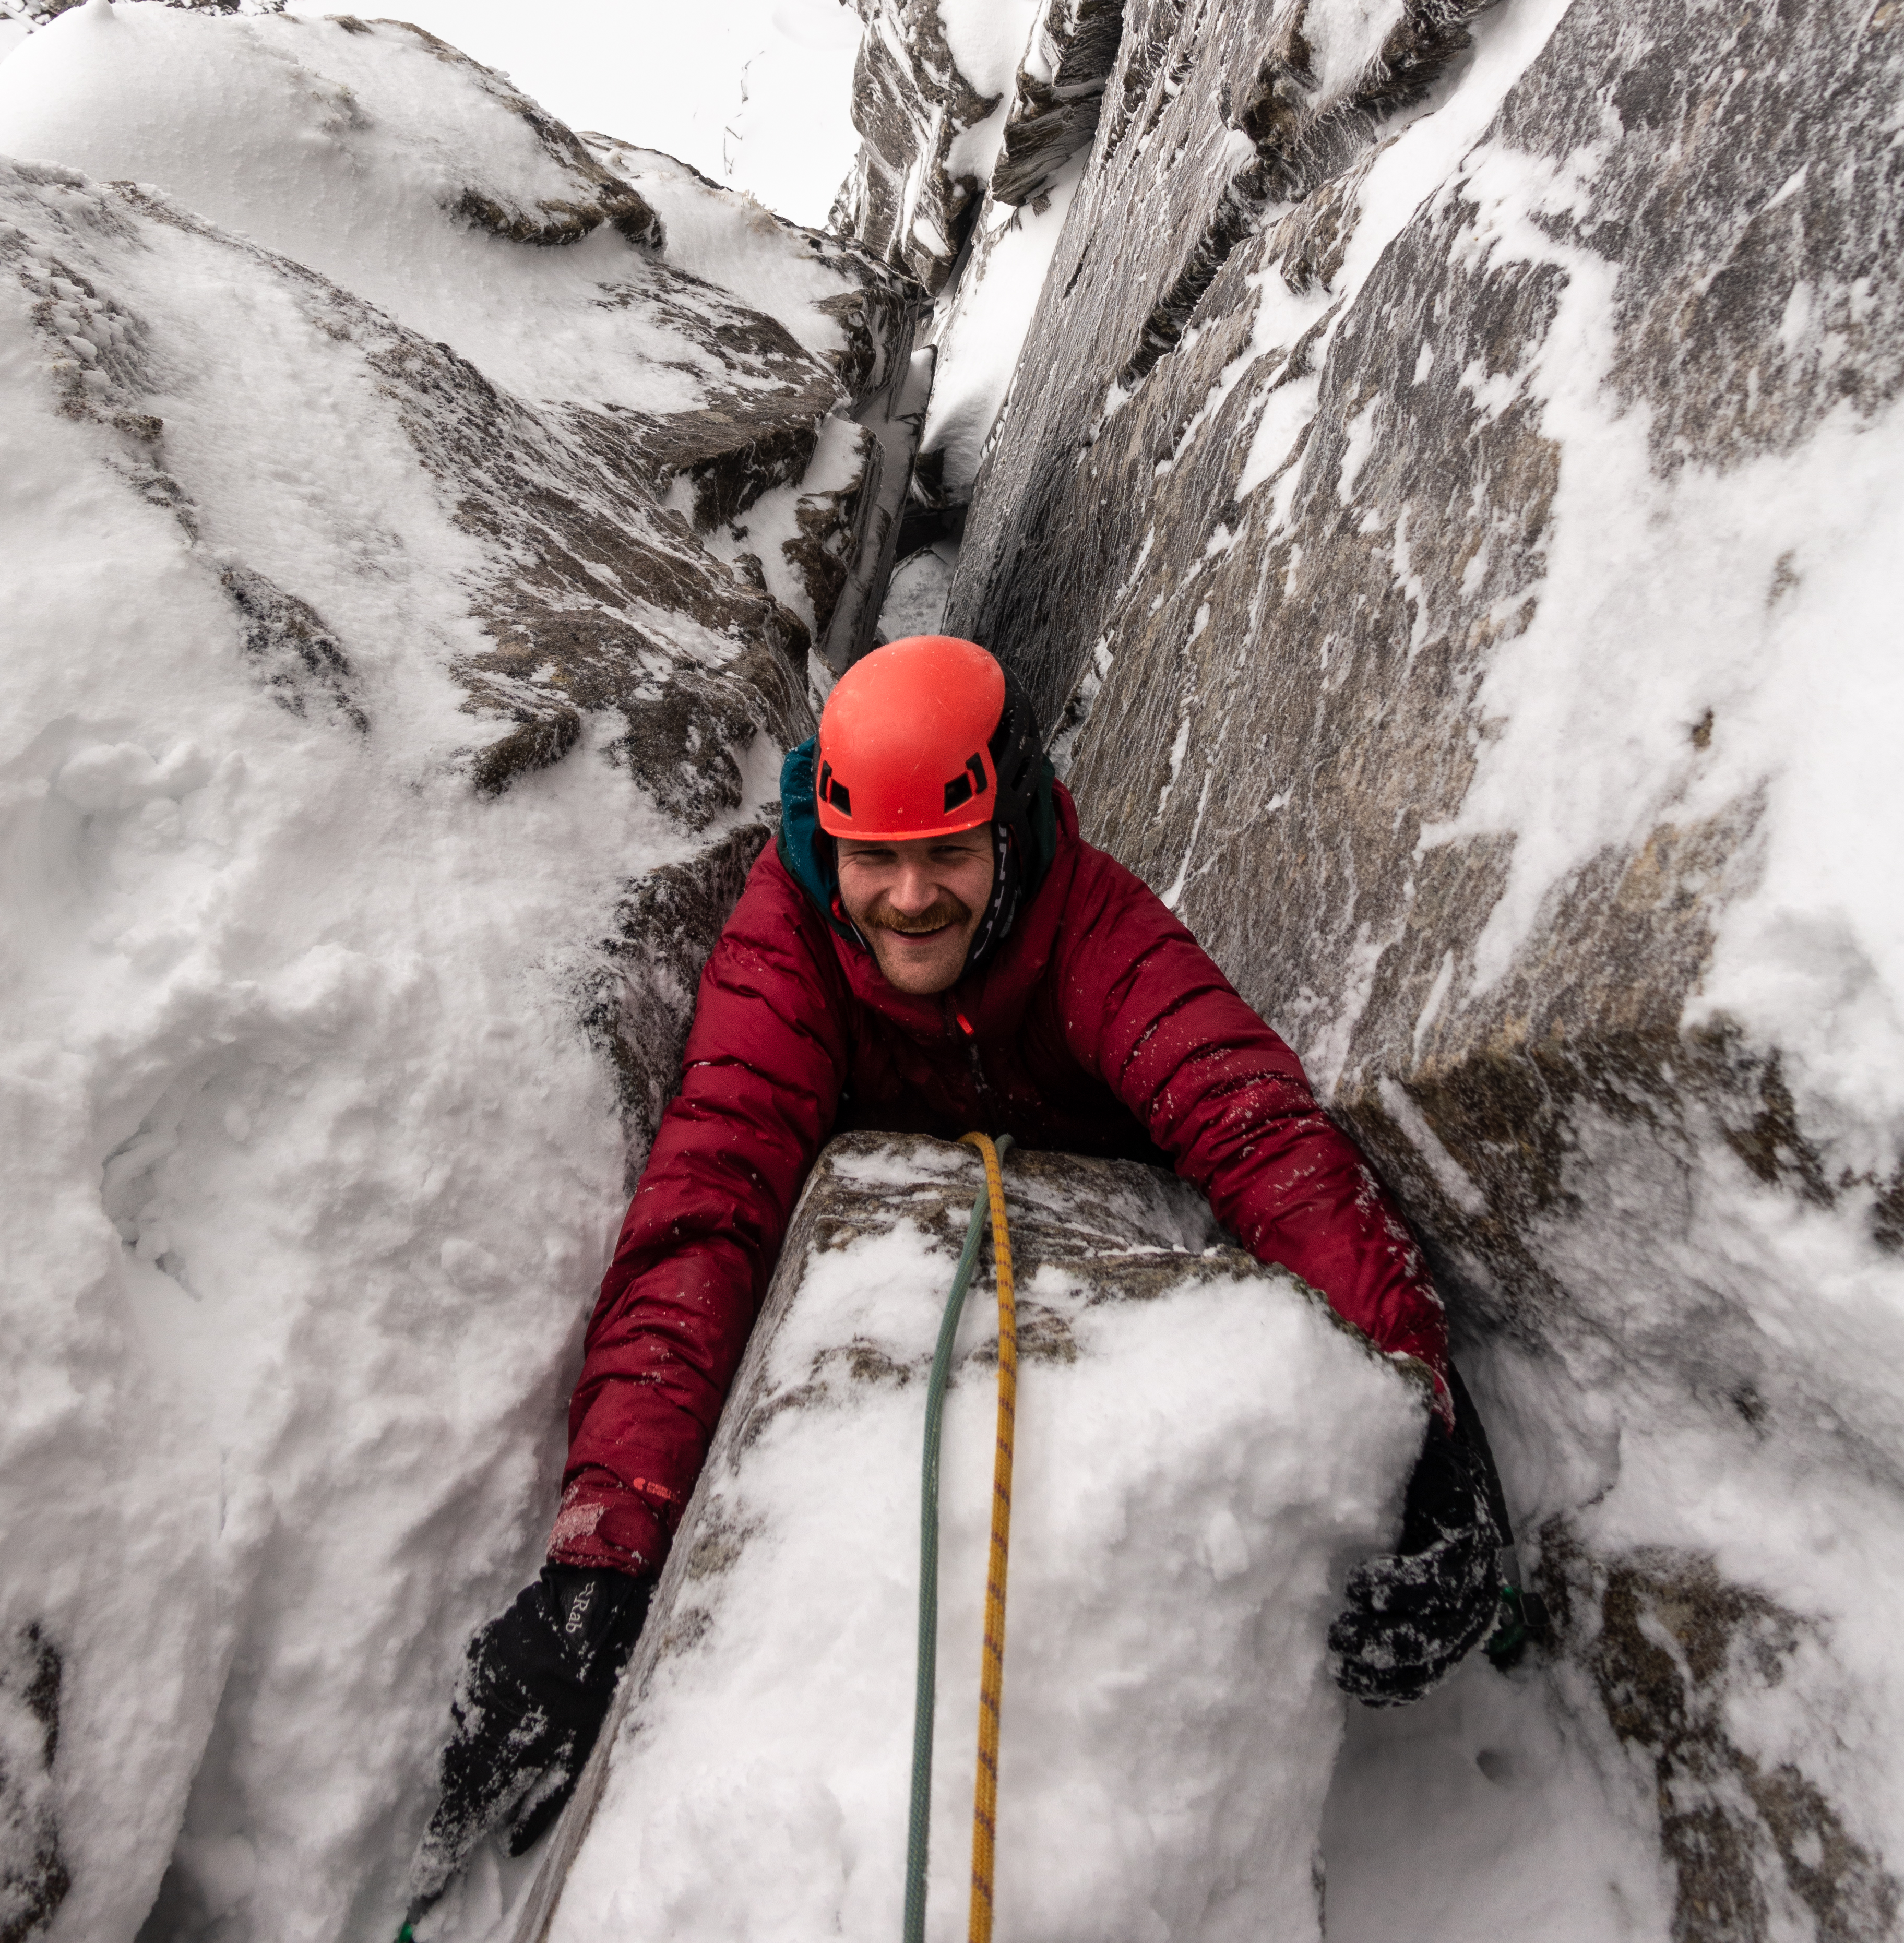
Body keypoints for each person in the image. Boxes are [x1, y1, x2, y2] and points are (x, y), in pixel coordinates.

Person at [408, 637, 1506, 1910]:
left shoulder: (1087, 922)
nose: (910, 898)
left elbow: (1252, 1127)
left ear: (1016, 828)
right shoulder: (792, 943)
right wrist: (605, 1559)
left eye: (949, 853)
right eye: (875, 857)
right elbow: (707, 1205)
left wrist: (1411, 1392)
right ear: (828, 846)